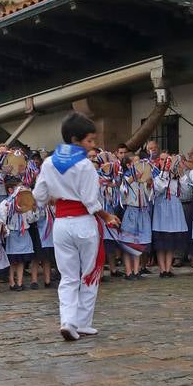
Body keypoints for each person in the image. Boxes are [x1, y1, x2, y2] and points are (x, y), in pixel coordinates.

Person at [33, 112, 121, 341]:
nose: (93, 145)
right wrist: (107, 216)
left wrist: (53, 197)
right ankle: (82, 323)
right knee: (89, 274)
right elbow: (91, 202)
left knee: (68, 276)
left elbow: (39, 196)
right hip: (84, 223)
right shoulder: (84, 165)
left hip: (61, 224)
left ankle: (67, 321)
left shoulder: (49, 162)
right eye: (90, 140)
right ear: (75, 140)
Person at [151, 154, 187, 278]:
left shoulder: (176, 178)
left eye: (168, 160)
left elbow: (186, 191)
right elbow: (158, 189)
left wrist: (180, 174)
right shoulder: (157, 176)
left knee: (171, 239)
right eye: (162, 160)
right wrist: (165, 173)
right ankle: (162, 269)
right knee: (161, 240)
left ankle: (168, 268)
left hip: (174, 206)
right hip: (162, 207)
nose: (166, 162)